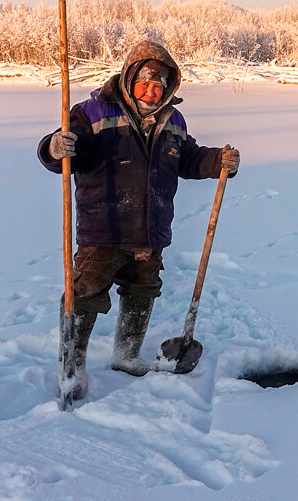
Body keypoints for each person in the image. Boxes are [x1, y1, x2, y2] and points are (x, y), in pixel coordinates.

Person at [38, 40, 240, 400]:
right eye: (145, 83)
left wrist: (218, 162)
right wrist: (55, 148)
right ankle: (72, 362)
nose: (151, 91)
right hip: (103, 227)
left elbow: (189, 158)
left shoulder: (173, 120)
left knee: (142, 291)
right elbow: (65, 153)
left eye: (159, 85)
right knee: (83, 294)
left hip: (150, 230)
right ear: (129, 78)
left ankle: (127, 353)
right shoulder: (91, 112)